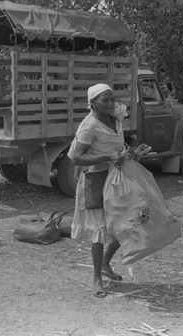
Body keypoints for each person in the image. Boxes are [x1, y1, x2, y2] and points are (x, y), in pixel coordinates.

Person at [68, 83, 127, 299]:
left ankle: (105, 264)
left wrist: (129, 154)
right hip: (95, 180)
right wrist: (106, 158)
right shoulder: (89, 125)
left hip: (117, 180)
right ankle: (97, 279)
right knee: (100, 233)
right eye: (105, 100)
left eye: (112, 99)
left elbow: (117, 146)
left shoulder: (117, 118)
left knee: (125, 225)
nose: (111, 103)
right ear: (92, 104)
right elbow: (76, 158)